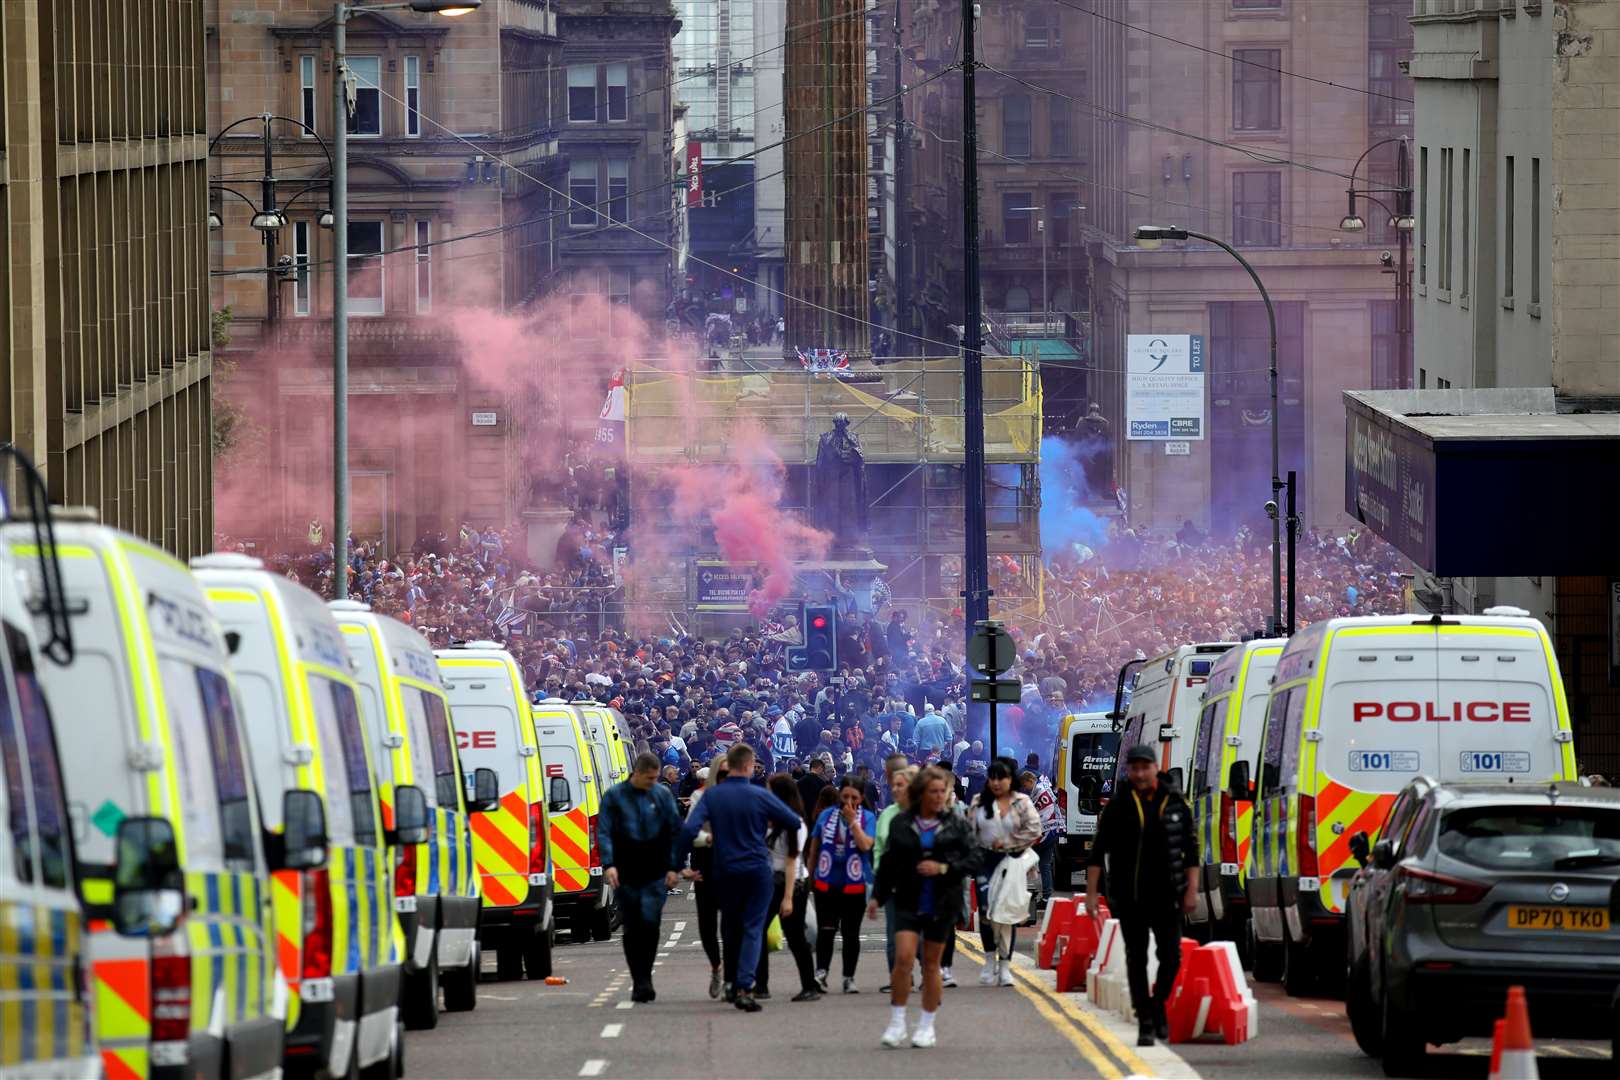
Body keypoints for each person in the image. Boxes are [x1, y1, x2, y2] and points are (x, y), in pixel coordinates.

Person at [1085, 744, 1198, 1046]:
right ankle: (1145, 1020)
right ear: (1128, 771)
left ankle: (1157, 1001)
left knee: (1171, 956)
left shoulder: (1176, 801)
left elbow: (1192, 850)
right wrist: (1092, 894)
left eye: (1144, 767)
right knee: (1136, 957)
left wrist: (1192, 889)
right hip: (1129, 895)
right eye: (1133, 768)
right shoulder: (1118, 805)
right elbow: (1098, 852)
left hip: (1168, 894)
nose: (1139, 773)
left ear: (1154, 767)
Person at [677, 743, 803, 1012]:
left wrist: (677, 865)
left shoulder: (712, 796)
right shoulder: (758, 795)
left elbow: (688, 831)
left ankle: (731, 981)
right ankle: (746, 985)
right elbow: (792, 821)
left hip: (724, 869)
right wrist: (763, 826)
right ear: (749, 765)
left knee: (730, 926)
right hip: (757, 869)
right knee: (753, 927)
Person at [869, 765, 982, 1048]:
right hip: (908, 899)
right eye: (933, 791)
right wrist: (877, 896)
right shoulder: (901, 823)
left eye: (942, 791)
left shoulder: (956, 823)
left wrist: (944, 867)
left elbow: (974, 859)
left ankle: (926, 1025)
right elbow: (888, 862)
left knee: (931, 965)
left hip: (942, 902)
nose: (938, 796)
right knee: (904, 958)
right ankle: (897, 1023)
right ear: (920, 793)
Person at [598, 752, 683, 1002]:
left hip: (656, 871)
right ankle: (640, 979)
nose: (652, 783)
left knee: (651, 923)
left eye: (656, 778)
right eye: (649, 778)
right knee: (632, 925)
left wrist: (673, 867)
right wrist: (609, 863)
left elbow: (674, 830)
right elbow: (604, 831)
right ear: (636, 773)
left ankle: (645, 974)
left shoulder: (661, 795)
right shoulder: (614, 796)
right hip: (626, 870)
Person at [970, 758, 1041, 986]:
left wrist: (1010, 841)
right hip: (985, 860)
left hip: (1012, 860)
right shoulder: (979, 802)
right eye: (993, 778)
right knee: (986, 909)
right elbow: (969, 833)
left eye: (1002, 778)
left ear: (1011, 780)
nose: (997, 783)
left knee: (1007, 912)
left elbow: (1034, 828)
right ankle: (989, 959)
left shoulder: (1021, 802)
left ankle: (1005, 966)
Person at [753, 774, 820, 1002]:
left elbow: (792, 861)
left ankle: (809, 985)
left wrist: (788, 898)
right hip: (774, 882)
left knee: (794, 936)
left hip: (793, 884)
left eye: (770, 791)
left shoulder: (796, 823)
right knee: (759, 930)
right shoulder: (773, 820)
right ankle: (761, 985)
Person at [806, 776, 876, 994]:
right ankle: (821, 973)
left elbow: (865, 845)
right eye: (844, 796)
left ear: (861, 798)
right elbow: (814, 848)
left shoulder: (868, 818)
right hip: (826, 881)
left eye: (853, 797)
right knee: (826, 930)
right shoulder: (826, 816)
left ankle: (848, 977)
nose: (848, 801)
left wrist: (852, 822)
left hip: (855, 883)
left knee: (850, 932)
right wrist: (810, 878)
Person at [682, 755, 728, 1000]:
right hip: (706, 860)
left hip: (733, 862)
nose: (725, 781)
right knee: (707, 923)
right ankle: (716, 967)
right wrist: (707, 839)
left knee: (732, 920)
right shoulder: (701, 797)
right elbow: (690, 830)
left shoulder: (741, 794)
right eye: (720, 776)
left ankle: (734, 975)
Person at [873, 764, 917, 990]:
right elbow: (880, 850)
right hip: (892, 884)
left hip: (919, 884)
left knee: (918, 935)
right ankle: (898, 978)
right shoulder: (888, 815)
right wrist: (878, 884)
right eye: (894, 785)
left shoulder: (925, 813)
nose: (896, 789)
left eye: (901, 785)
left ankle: (931, 971)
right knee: (893, 936)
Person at [1022, 769, 1062, 906]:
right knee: (1044, 865)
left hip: (1045, 833)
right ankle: (1046, 898)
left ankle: (1022, 894)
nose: (1025, 789)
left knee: (1025, 860)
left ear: (1030, 781)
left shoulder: (1039, 791)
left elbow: (1039, 813)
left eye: (1025, 785)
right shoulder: (1042, 787)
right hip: (1053, 830)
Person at [796, 756, 830, 822]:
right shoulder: (821, 783)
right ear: (820, 768)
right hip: (816, 815)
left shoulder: (800, 782)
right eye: (823, 770)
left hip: (802, 814)